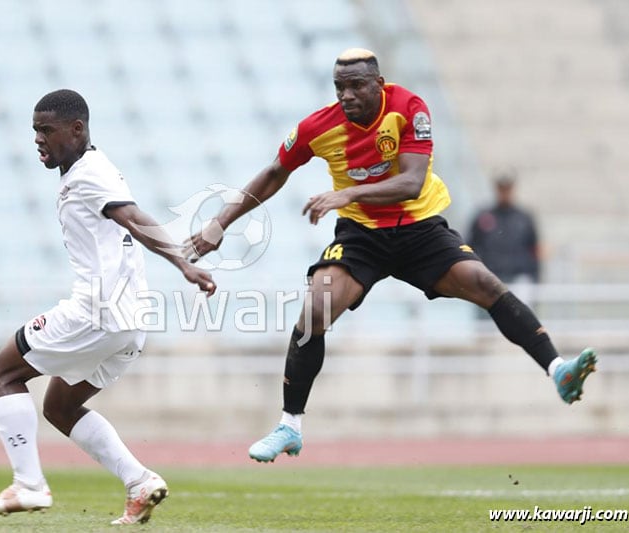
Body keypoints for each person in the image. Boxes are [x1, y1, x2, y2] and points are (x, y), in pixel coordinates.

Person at [184, 48, 596, 463]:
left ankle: (558, 370)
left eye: (356, 85)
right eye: (339, 87)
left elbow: (412, 182)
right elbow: (275, 172)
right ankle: (290, 425)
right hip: (362, 234)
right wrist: (220, 223)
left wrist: (347, 192)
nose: (346, 95)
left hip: (419, 228)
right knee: (315, 309)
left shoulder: (408, 107)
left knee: (484, 283)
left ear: (378, 84)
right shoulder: (319, 127)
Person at [0, 89, 216, 525]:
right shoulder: (85, 172)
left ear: (77, 129)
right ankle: (139, 481)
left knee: (1, 373)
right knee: (59, 407)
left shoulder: (89, 173)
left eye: (46, 130)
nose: (38, 140)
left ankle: (28, 485)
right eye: (35, 132)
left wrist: (182, 264)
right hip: (131, 321)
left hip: (97, 312)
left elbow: (134, 218)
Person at [468, 171, 540, 284]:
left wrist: (534, 276)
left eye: (507, 188)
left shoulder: (524, 218)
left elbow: (534, 249)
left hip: (518, 277)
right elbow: (471, 246)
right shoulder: (483, 216)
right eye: (502, 188)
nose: (505, 193)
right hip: (490, 275)